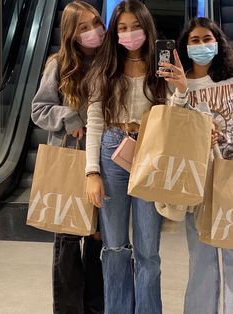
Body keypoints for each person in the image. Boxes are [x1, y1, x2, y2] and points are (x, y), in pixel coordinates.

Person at [85, 1, 189, 313]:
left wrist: (180, 89)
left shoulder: (161, 66)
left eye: (136, 26)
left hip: (150, 152)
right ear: (115, 32)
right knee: (114, 246)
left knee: (148, 250)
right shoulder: (105, 68)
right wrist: (92, 172)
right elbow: (94, 120)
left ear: (147, 27)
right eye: (123, 28)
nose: (130, 33)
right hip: (111, 149)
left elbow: (173, 120)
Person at [31, 2, 105, 314]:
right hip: (72, 161)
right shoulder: (59, 63)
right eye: (84, 27)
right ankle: (69, 309)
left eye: (96, 23)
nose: (93, 32)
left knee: (100, 238)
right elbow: (39, 109)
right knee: (70, 236)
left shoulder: (110, 60)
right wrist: (70, 116)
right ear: (71, 33)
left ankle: (95, 307)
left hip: (105, 163)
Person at [177, 17, 233, 314]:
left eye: (206, 39)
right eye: (194, 40)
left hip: (230, 176)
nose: (201, 45)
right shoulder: (181, 82)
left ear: (218, 41)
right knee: (201, 257)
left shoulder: (231, 76)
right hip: (197, 179)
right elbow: (173, 128)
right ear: (185, 47)